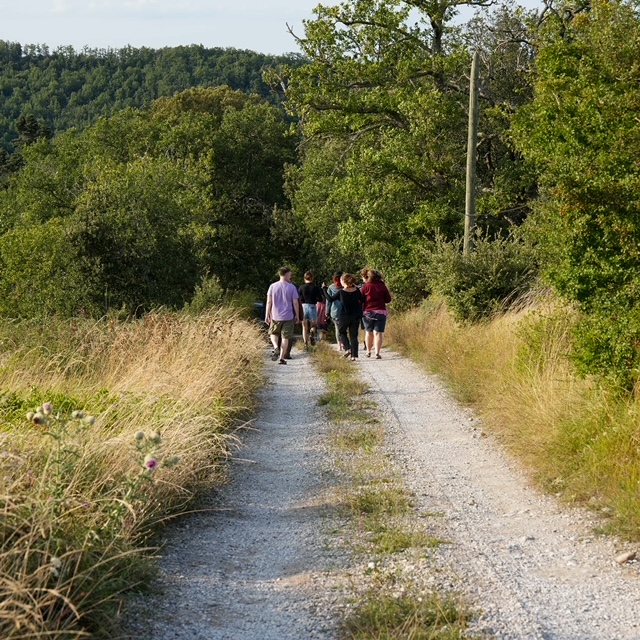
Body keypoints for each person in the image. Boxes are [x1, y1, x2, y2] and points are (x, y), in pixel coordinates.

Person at [323, 273, 365, 361]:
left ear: (343, 281)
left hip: (345, 316)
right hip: (356, 315)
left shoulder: (341, 292)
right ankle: (354, 356)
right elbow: (363, 299)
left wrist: (324, 290)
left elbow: (330, 299)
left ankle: (348, 348)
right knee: (354, 336)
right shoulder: (356, 290)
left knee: (342, 332)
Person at [265, 267, 300, 365]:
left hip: (275, 316)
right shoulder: (292, 287)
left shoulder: (272, 286)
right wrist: (297, 315)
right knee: (286, 337)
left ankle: (276, 347)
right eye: (290, 275)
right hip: (288, 316)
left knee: (273, 333)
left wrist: (267, 314)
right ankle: (281, 358)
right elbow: (295, 302)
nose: (291, 277)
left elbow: (269, 302)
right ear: (286, 275)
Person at [361, 269, 392, 359]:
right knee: (378, 333)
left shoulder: (365, 286)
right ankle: (377, 353)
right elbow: (388, 299)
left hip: (368, 312)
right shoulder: (382, 286)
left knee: (368, 332)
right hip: (380, 311)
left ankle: (368, 351)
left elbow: (361, 299)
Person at [298, 271, 324, 349]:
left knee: (304, 327)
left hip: (303, 307)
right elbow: (320, 298)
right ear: (312, 278)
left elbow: (298, 298)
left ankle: (306, 344)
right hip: (312, 306)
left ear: (304, 278)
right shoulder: (315, 288)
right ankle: (312, 332)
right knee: (313, 325)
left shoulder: (301, 287)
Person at [326, 271, 344, 350]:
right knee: (344, 328)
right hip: (344, 310)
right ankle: (344, 343)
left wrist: (327, 312)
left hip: (335, 311)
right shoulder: (345, 286)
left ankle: (339, 345)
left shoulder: (331, 287)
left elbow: (328, 301)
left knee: (337, 328)